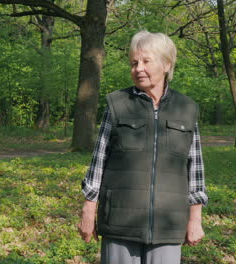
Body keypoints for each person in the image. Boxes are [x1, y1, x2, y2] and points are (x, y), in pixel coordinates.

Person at [77, 30, 208, 264]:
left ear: (167, 64)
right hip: (119, 221)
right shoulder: (117, 104)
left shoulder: (186, 109)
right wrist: (89, 211)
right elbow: (98, 161)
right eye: (134, 63)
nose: (138, 68)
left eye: (146, 61)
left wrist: (195, 220)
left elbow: (195, 169)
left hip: (168, 223)